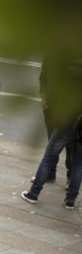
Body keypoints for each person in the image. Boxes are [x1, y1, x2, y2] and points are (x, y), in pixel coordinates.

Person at [22, 54, 82, 210]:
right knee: (79, 165)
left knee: (49, 157)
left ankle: (34, 194)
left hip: (66, 121)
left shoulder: (67, 72)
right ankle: (70, 201)